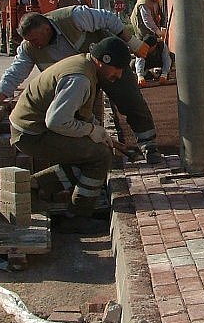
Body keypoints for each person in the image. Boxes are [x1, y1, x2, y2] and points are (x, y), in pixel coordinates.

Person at [0, 5, 164, 164]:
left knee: (130, 99)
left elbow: (109, 19)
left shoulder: (74, 17)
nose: (34, 44)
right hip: (78, 81)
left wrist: (133, 42)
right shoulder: (29, 47)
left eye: (35, 39)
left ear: (46, 28)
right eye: (30, 41)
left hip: (107, 64)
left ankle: (148, 146)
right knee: (82, 120)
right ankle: (100, 155)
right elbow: (14, 74)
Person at [8, 37, 128, 233]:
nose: (119, 74)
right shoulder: (80, 79)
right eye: (117, 68)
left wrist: (107, 137)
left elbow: (82, 115)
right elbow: (56, 121)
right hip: (31, 133)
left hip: (31, 127)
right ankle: (78, 215)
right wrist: (91, 132)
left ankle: (37, 186)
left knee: (92, 151)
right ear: (102, 61)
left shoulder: (85, 66)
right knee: (100, 156)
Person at [131, 0, 172, 86]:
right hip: (142, 29)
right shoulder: (144, 4)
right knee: (135, 63)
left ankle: (159, 73)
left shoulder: (160, 45)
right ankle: (145, 73)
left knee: (169, 57)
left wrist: (164, 74)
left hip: (156, 56)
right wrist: (140, 76)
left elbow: (166, 59)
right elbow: (147, 21)